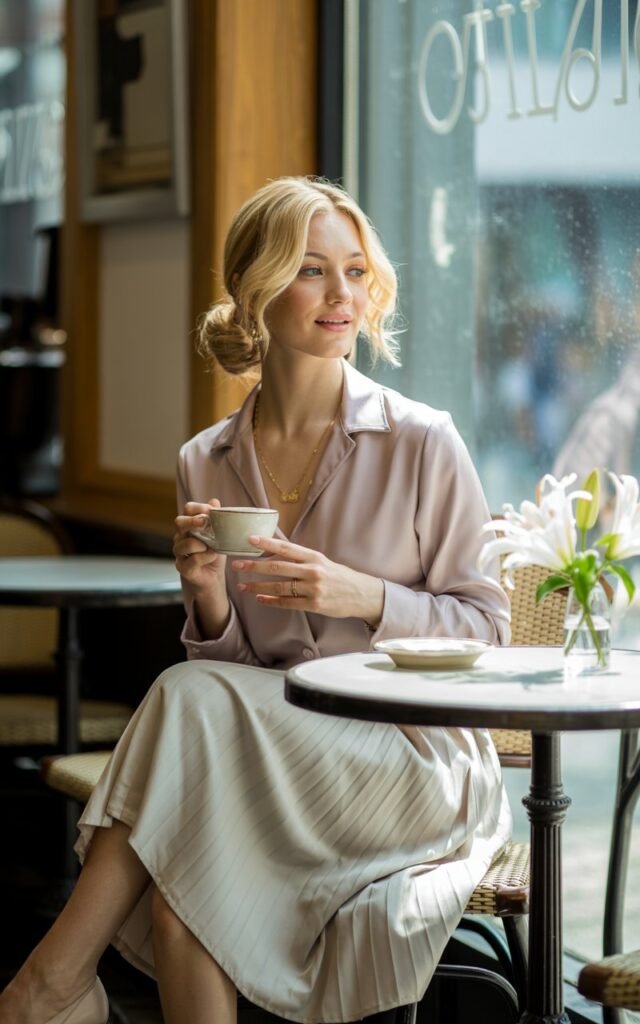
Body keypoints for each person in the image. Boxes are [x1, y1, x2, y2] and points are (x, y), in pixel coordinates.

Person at [0, 176, 511, 1024]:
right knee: (183, 888)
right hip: (273, 757)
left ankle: (51, 983)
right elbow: (245, 676)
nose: (342, 294)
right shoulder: (206, 460)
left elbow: (489, 632)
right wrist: (209, 605)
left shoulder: (424, 441)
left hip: (413, 759)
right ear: (257, 290)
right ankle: (55, 987)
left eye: (355, 270)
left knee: (183, 699)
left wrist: (364, 595)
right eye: (313, 270)